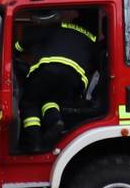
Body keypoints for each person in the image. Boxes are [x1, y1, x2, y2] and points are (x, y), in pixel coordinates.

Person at [12, 10, 98, 154]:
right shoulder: (92, 39)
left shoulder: (60, 26)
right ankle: (54, 121)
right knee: (51, 100)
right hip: (75, 78)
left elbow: (30, 39)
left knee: (30, 103)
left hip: (48, 69)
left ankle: (34, 142)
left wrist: (14, 49)